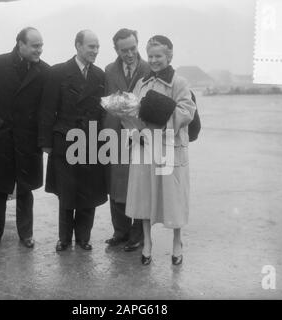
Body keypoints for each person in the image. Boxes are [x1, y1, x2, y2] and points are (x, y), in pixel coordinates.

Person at [125, 35, 196, 265]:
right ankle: (147, 242)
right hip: (145, 150)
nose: (154, 60)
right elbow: (133, 112)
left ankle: (177, 242)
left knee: (172, 199)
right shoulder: (141, 83)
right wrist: (133, 130)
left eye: (159, 56)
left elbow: (186, 111)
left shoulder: (179, 83)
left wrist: (158, 121)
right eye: (151, 56)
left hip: (170, 149)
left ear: (170, 55)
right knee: (145, 197)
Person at [0, 27, 50, 250]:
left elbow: (44, 107)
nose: (40, 50)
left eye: (41, 45)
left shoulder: (44, 71)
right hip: (1, 137)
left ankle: (26, 234)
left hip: (27, 139)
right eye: (35, 45)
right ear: (20, 44)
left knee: (25, 189)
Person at [39, 30, 107, 252]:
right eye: (91, 47)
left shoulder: (99, 75)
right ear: (78, 46)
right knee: (66, 193)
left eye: (97, 47)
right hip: (65, 140)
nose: (95, 51)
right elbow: (47, 109)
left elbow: (103, 112)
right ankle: (64, 238)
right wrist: (46, 143)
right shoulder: (58, 72)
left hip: (91, 141)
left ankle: (84, 238)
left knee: (88, 191)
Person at [103, 28, 150, 251]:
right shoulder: (109, 70)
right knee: (117, 184)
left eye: (133, 48)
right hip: (116, 135)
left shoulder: (149, 68)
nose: (129, 54)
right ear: (116, 50)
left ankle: (138, 234)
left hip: (141, 136)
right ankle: (120, 231)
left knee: (139, 184)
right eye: (124, 50)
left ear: (137, 44)